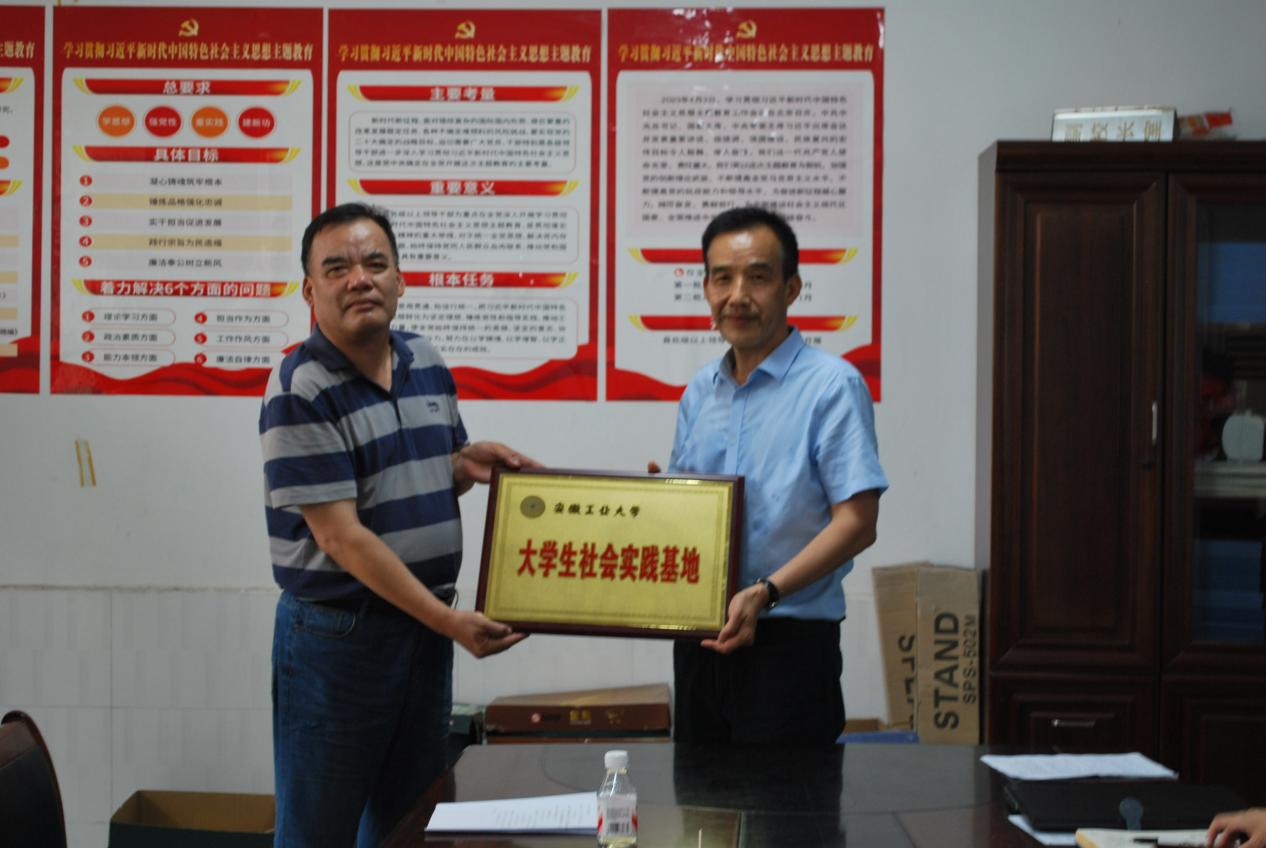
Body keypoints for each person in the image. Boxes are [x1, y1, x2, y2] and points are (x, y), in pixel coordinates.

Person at [260, 202, 535, 846]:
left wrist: (463, 464)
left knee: (411, 823)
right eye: (337, 268)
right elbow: (340, 536)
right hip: (339, 639)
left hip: (420, 636)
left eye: (375, 263)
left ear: (400, 280)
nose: (360, 278)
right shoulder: (300, 387)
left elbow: (412, 475)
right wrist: (447, 622)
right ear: (309, 290)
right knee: (319, 832)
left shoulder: (424, 359)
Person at [656, 205, 887, 744]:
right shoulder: (700, 391)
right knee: (698, 795)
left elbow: (858, 522)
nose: (737, 295)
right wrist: (656, 504)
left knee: (791, 799)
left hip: (790, 647)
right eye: (722, 278)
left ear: (791, 288)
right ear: (706, 289)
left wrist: (767, 591)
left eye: (757, 277)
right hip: (700, 642)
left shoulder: (832, 386)